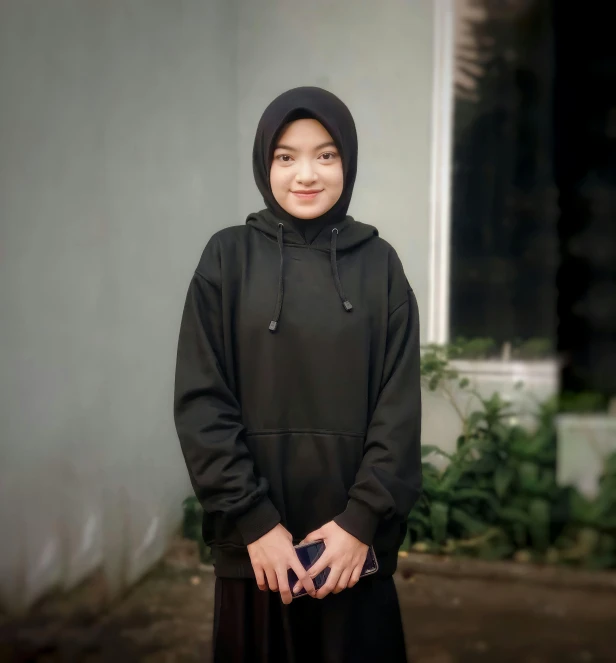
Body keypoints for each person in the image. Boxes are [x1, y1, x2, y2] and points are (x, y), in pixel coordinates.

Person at [174, 86, 422, 663]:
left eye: (326, 154)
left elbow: (399, 409)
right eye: (286, 156)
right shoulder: (226, 259)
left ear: (348, 162)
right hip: (257, 553)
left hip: (354, 553)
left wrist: (360, 524)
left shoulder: (380, 265)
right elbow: (202, 402)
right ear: (266, 164)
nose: (306, 174)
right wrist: (256, 523)